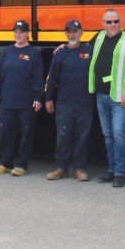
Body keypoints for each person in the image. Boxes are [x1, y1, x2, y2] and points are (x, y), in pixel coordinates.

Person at [89, 8, 125, 188]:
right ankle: (111, 170)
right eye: (109, 22)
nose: (113, 25)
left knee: (118, 133)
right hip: (101, 95)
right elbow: (80, 49)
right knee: (107, 135)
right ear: (103, 23)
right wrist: (64, 46)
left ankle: (120, 173)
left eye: (116, 21)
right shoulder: (98, 38)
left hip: (120, 96)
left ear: (120, 22)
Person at [0, 20, 43, 176]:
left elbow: (38, 78)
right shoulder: (6, 51)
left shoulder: (33, 53)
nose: (18, 35)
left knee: (26, 134)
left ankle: (21, 165)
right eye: (16, 32)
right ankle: (5, 163)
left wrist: (38, 97)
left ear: (27, 34)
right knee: (5, 132)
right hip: (6, 101)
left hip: (26, 102)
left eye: (21, 32)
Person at [44, 19, 94, 182]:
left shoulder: (90, 50)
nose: (72, 34)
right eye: (69, 31)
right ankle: (61, 167)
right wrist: (48, 97)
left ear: (81, 32)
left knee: (82, 137)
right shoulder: (60, 53)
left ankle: (79, 168)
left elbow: (106, 36)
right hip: (64, 102)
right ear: (65, 33)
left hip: (85, 102)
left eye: (75, 31)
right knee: (63, 136)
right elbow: (52, 78)